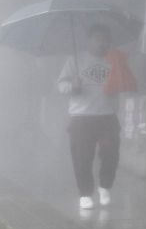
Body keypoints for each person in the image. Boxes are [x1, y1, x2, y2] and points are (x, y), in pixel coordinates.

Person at [56, 24, 137, 210]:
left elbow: (126, 81)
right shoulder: (75, 60)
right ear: (89, 40)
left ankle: (105, 186)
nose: (102, 42)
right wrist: (72, 87)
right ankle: (85, 194)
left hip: (107, 116)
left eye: (105, 39)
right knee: (82, 157)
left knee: (111, 154)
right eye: (98, 38)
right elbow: (61, 85)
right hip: (81, 117)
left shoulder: (114, 60)